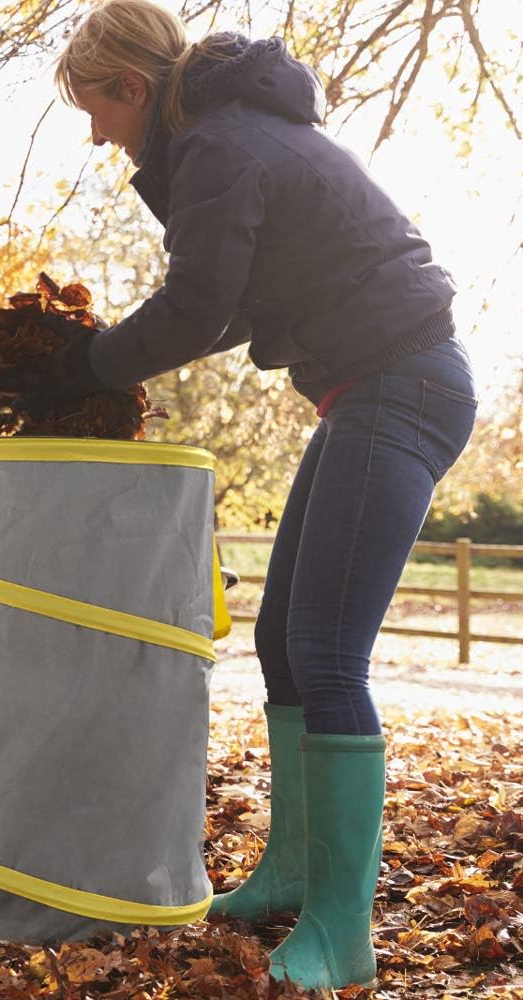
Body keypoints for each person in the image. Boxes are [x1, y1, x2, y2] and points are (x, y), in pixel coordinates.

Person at [45, 0, 477, 989]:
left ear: (133, 88)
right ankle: (291, 870)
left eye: (94, 108)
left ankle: (340, 930)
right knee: (285, 638)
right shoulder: (230, 140)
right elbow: (230, 299)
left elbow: (197, 307)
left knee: (327, 651)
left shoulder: (218, 147)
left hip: (399, 383)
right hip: (371, 386)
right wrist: (101, 356)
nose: (94, 131)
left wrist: (90, 366)